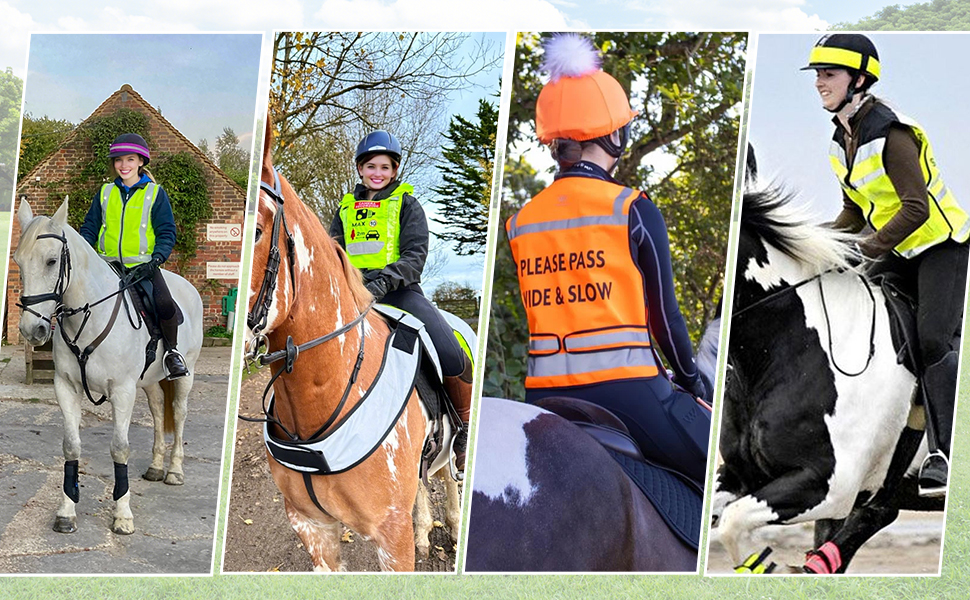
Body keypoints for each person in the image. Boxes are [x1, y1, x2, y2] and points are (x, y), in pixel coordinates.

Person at [506, 33, 712, 484]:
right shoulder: (631, 207)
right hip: (630, 393)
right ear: (616, 134)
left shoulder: (520, 221)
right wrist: (692, 381)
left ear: (554, 141)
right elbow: (666, 319)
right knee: (716, 469)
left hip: (544, 397)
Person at [804, 33, 969, 496]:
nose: (819, 82)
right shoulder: (840, 139)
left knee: (933, 338)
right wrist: (813, 244)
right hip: (895, 250)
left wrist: (868, 250)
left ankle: (944, 455)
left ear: (858, 79)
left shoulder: (891, 133)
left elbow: (916, 209)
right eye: (817, 74)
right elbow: (853, 214)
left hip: (941, 246)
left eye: (828, 74)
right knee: (853, 315)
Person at [329, 131, 473, 473]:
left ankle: (464, 429)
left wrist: (382, 282)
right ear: (360, 170)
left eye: (384, 167)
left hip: (400, 291)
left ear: (394, 171)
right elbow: (332, 254)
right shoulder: (345, 210)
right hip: (354, 294)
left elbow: (415, 255)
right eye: (370, 166)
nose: (377, 172)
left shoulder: (407, 204)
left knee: (449, 350)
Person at [79, 133, 188, 379]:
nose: (123, 165)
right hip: (107, 267)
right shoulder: (105, 192)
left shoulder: (155, 194)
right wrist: (84, 253)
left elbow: (166, 231)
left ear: (141, 161)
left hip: (143, 267)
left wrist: (157, 259)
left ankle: (172, 353)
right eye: (118, 160)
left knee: (164, 304)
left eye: (130, 159)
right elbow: (89, 227)